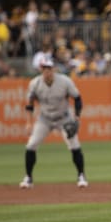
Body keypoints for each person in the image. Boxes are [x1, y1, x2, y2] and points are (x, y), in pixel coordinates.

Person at [20, 58, 89, 188]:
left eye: (49, 68)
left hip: (63, 118)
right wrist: (28, 122)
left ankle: (81, 176)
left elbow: (77, 98)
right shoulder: (35, 83)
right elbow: (29, 104)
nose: (47, 71)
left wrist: (77, 118)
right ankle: (28, 177)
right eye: (44, 68)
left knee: (74, 145)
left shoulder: (64, 81)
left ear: (53, 69)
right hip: (44, 119)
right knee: (31, 145)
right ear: (41, 70)